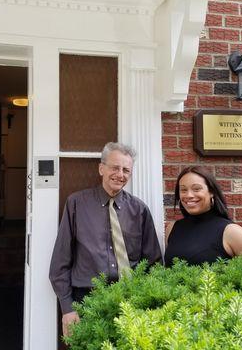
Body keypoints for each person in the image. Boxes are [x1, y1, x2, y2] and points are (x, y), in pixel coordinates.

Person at [49, 142, 162, 337]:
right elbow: (60, 262)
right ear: (101, 168)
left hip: (131, 300)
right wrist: (67, 308)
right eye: (115, 167)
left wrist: (149, 304)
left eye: (126, 170)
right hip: (86, 301)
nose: (120, 174)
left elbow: (154, 263)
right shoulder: (76, 203)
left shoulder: (139, 210)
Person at [164, 165, 242, 266]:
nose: (189, 195)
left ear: (211, 192)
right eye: (183, 190)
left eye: (196, 189)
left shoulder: (230, 231)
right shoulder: (172, 228)